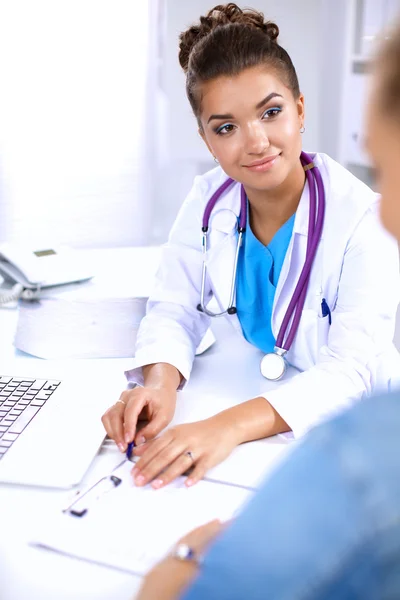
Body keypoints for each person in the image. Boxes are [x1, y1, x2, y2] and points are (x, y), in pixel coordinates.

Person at [136, 18, 400, 600]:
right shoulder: (209, 199)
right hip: (263, 402)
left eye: (271, 112)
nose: (254, 141)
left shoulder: (363, 218)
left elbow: (349, 372)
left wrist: (223, 427)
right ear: (206, 139)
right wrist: (160, 382)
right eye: (225, 126)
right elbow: (173, 304)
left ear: (301, 110)